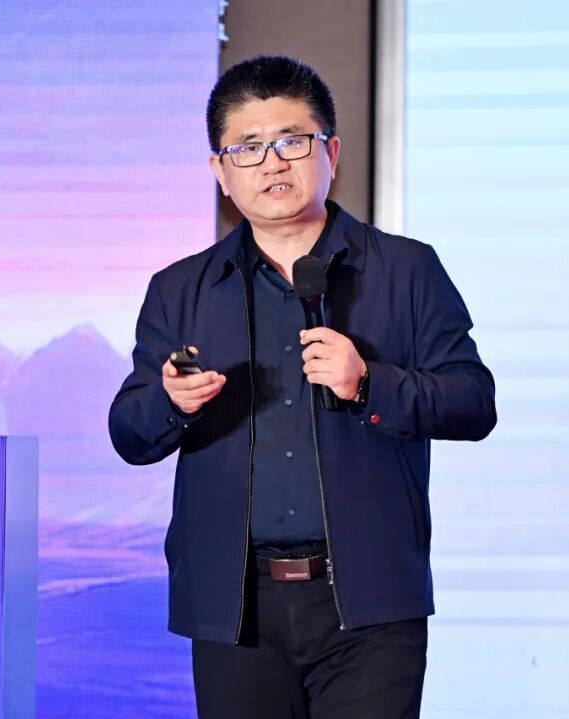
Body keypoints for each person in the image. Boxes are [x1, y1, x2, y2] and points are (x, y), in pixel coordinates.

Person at [109, 55, 496, 719]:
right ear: (220, 170)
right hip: (235, 608)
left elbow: (473, 402)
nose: (272, 163)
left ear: (331, 153)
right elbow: (129, 431)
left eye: (292, 141)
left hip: (370, 604)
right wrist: (171, 403)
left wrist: (369, 383)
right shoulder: (180, 289)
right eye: (248, 147)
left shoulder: (406, 270)